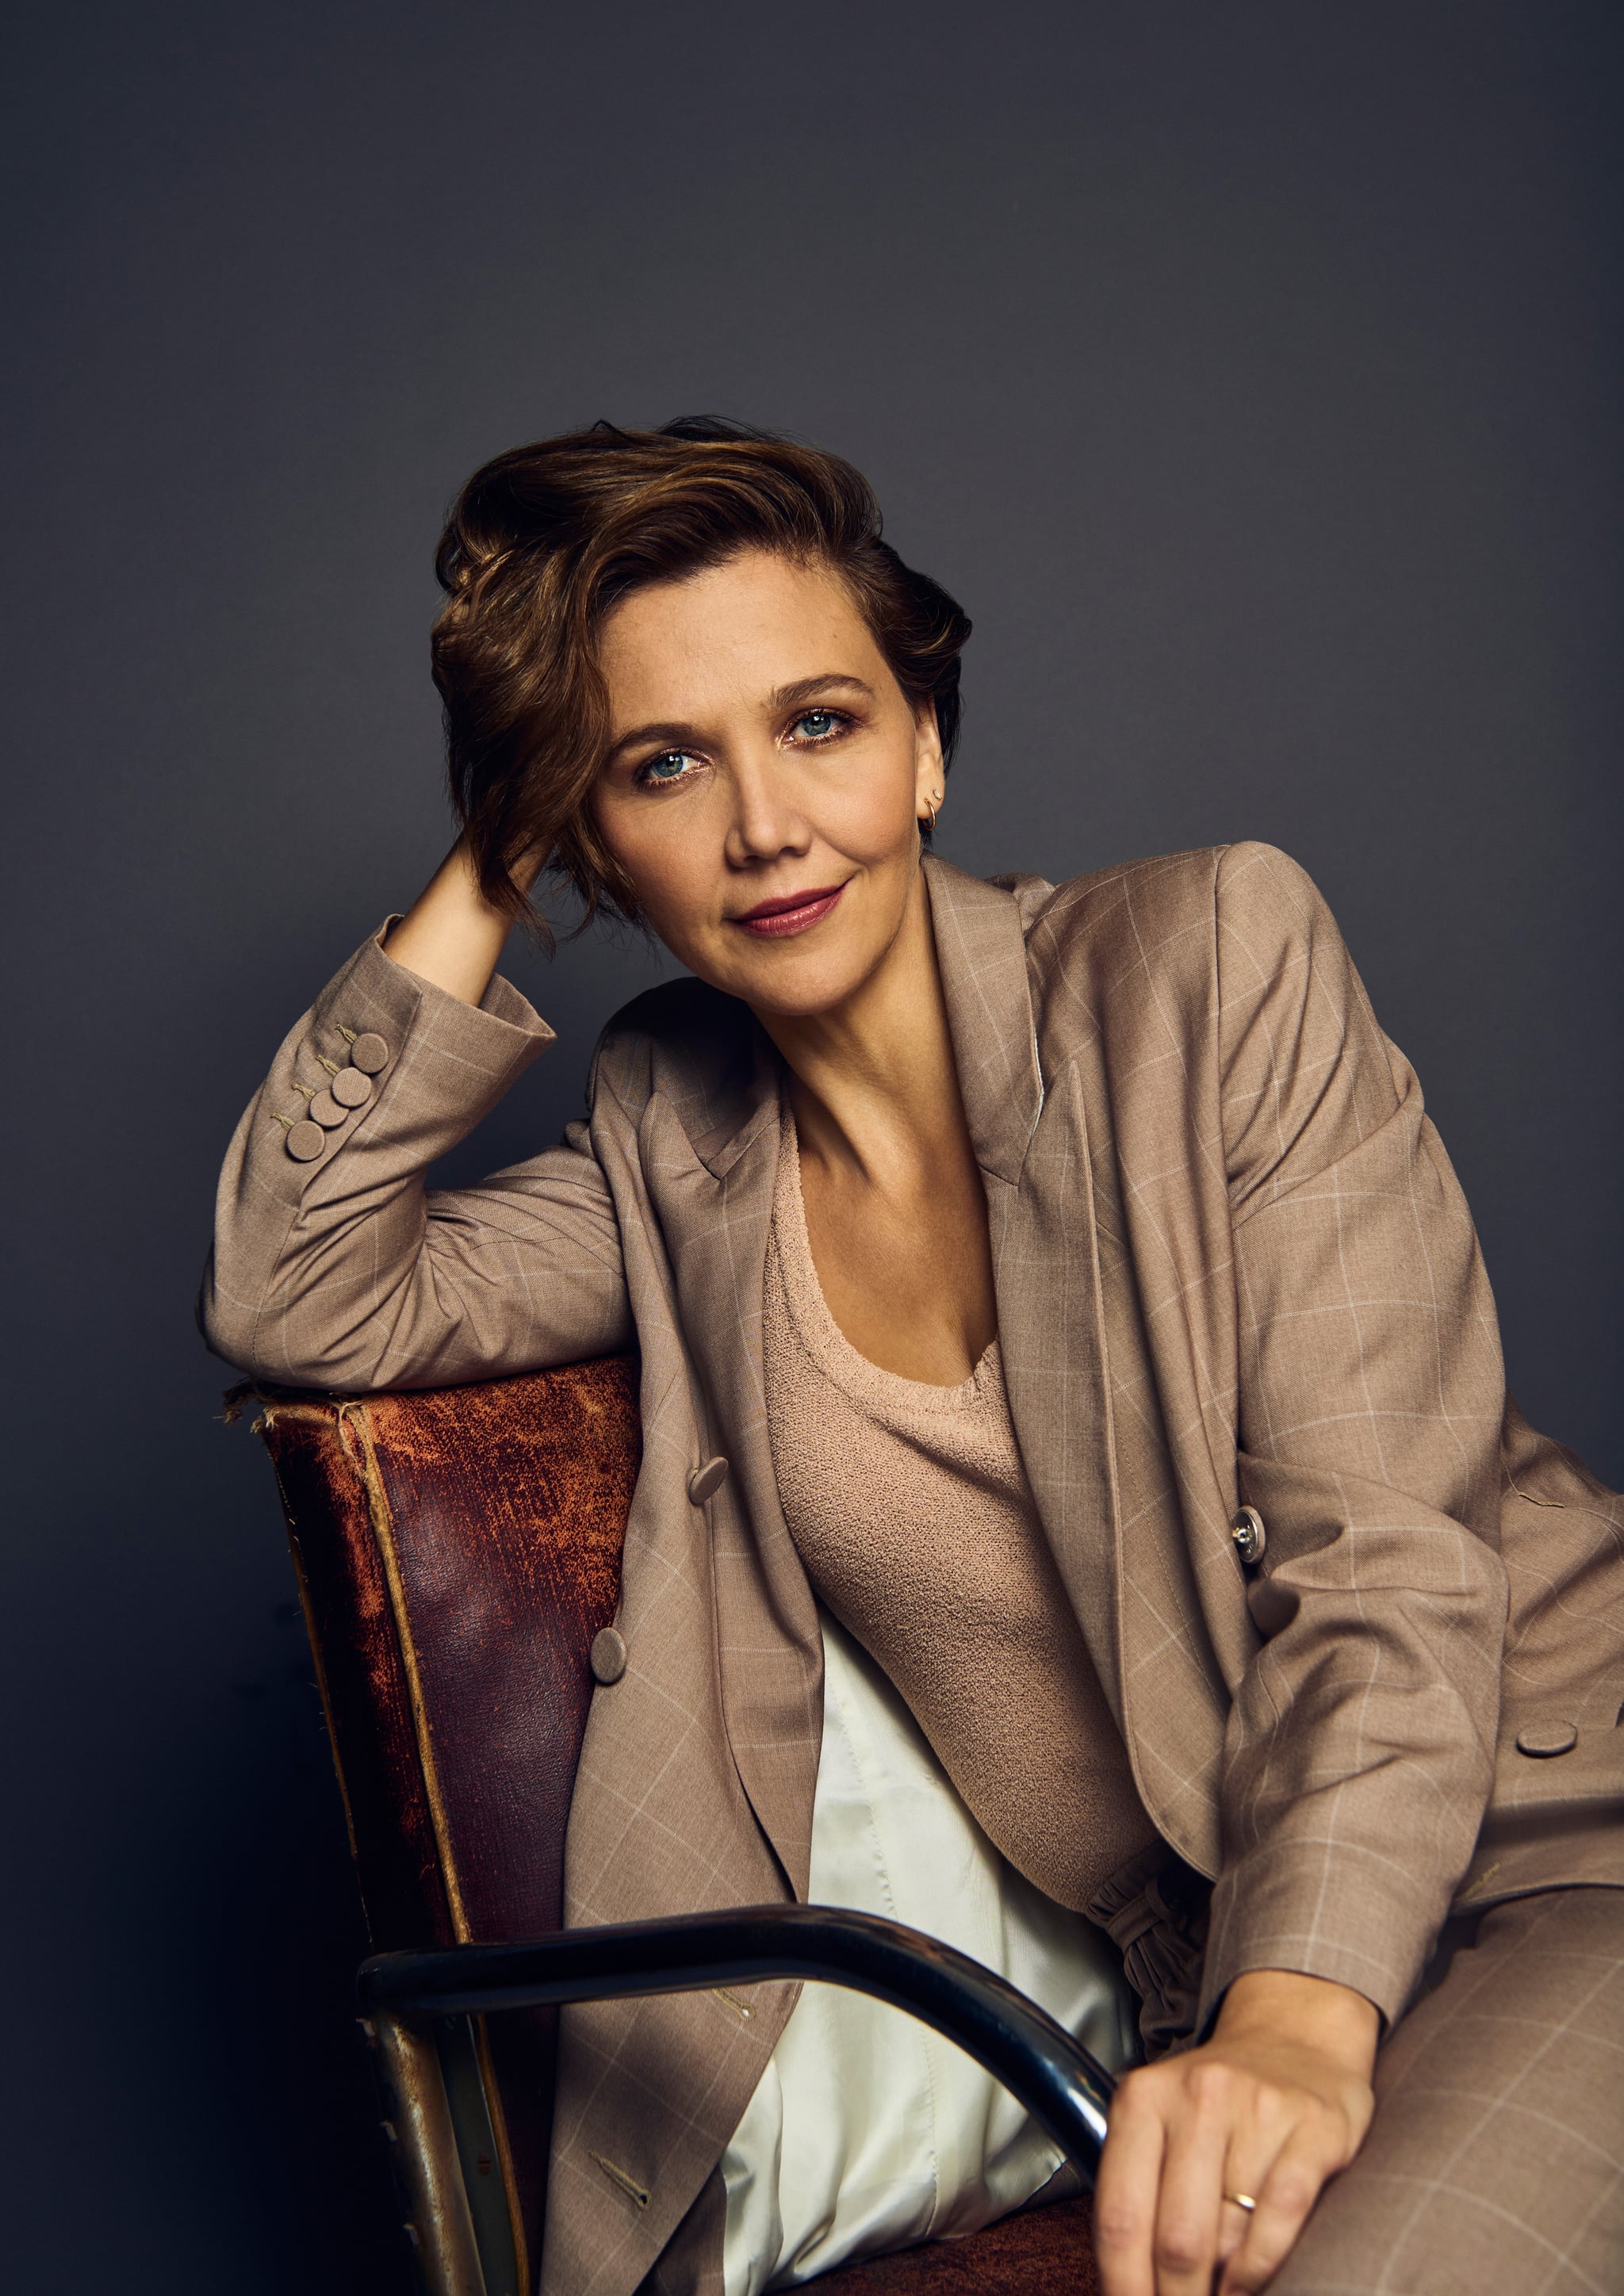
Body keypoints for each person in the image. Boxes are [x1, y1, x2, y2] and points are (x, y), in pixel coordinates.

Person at [203, 418, 1624, 2296]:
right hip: (1207, 1994)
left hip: (1542, 1856)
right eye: (660, 765)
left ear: (927, 746)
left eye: (819, 723)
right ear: (598, 846)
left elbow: (1389, 1561)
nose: (765, 824)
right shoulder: (670, 1139)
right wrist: (488, 844)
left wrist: (1289, 2017)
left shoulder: (1206, 969)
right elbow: (297, 1288)